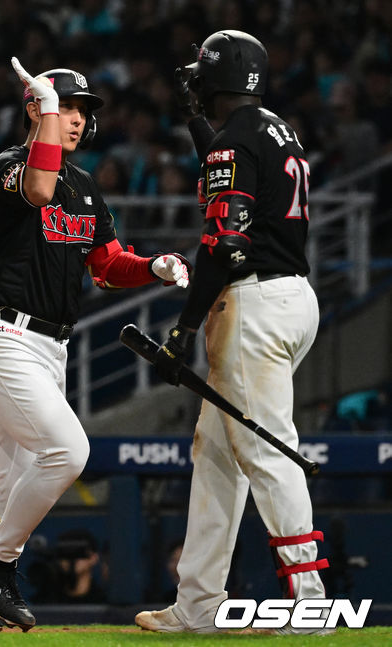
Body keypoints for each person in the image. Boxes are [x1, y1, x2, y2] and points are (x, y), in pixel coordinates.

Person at [0, 58, 191, 633]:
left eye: (81, 110)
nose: (75, 118)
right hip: (2, 333)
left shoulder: (85, 188)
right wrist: (41, 107)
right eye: (65, 106)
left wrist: (153, 267)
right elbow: (40, 189)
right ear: (36, 110)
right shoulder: (8, 168)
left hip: (50, 348)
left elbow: (108, 265)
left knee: (13, 484)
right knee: (69, 452)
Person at [135, 30, 330, 635]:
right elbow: (229, 161)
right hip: (292, 295)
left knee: (268, 449)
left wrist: (184, 328)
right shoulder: (274, 128)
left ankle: (311, 598)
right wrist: (197, 123)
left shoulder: (240, 139)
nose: (193, 78)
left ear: (219, 76)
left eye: (201, 72)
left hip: (254, 302)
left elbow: (224, 244)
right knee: (217, 453)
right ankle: (198, 604)